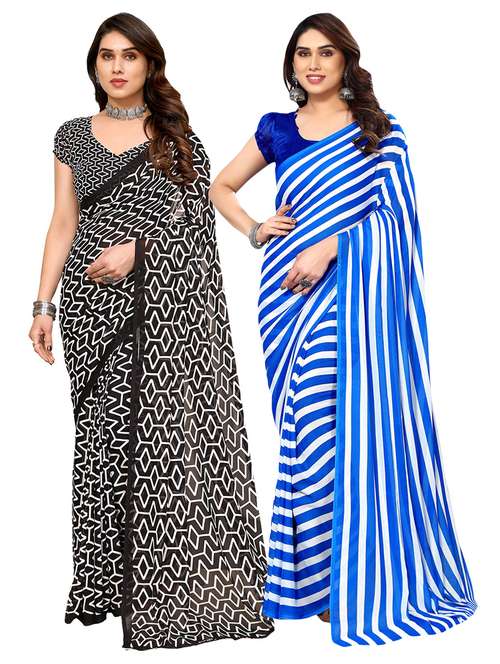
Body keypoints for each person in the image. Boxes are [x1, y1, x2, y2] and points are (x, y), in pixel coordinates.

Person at [208, 12, 477, 647]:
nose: (313, 63)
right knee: (305, 432)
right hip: (286, 296)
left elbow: (397, 219)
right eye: (303, 53)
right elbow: (219, 185)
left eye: (326, 52)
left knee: (342, 427)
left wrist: (331, 245)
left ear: (346, 60)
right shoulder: (277, 129)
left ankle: (350, 582)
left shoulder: (380, 130)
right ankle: (319, 583)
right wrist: (254, 229)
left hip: (355, 292)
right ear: (291, 64)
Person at [28, 12, 274, 651]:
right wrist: (42, 304)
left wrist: (140, 251)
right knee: (102, 443)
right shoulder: (71, 136)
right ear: (94, 65)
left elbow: (196, 225)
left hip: (161, 316)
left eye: (129, 56)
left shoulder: (177, 139)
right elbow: (62, 223)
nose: (117, 67)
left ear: (149, 65)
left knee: (161, 444)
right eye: (106, 55)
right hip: (91, 310)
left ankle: (165, 581)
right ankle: (105, 583)